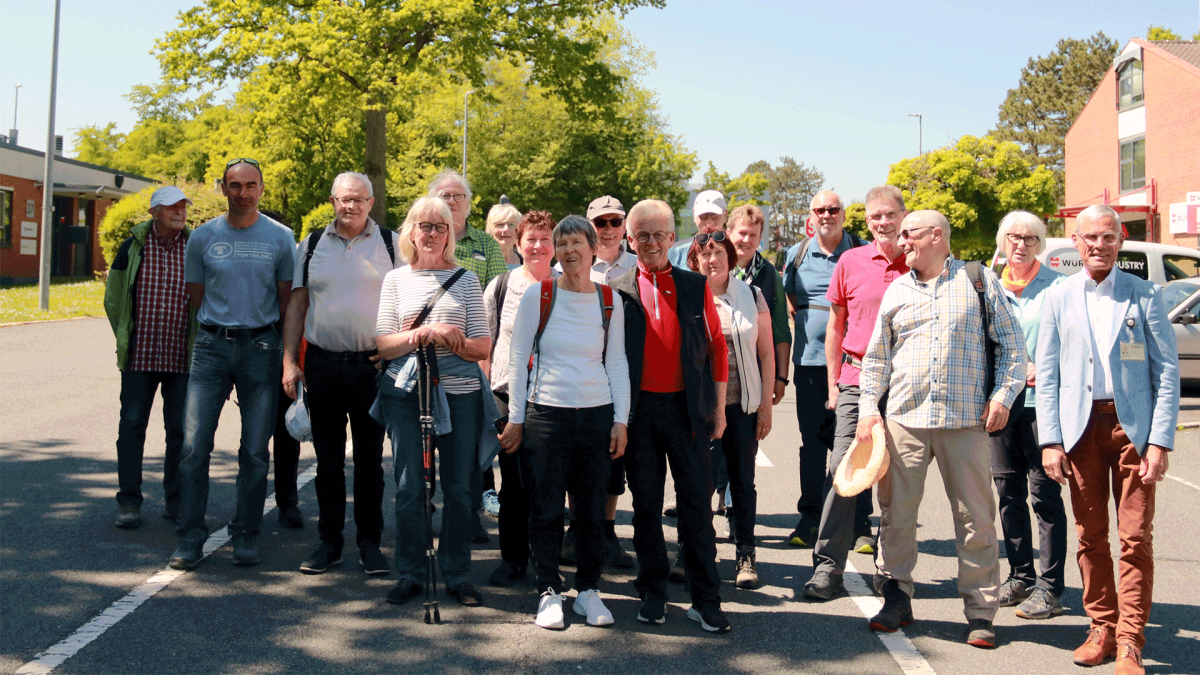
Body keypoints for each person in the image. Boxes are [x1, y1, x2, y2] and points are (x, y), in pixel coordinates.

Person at [857, 210, 1026, 649]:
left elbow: (1013, 347)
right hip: (904, 421)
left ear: (936, 236)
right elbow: (876, 359)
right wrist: (868, 412)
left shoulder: (978, 281)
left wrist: (1002, 398)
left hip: (965, 421)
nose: (902, 240)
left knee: (975, 519)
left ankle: (980, 612)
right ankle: (896, 598)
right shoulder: (897, 289)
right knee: (897, 516)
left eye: (909, 234)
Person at [1037, 205, 1179, 675]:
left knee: (1135, 538)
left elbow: (1167, 373)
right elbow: (1050, 375)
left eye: (1108, 237)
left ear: (1121, 241)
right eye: (1090, 238)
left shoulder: (1145, 294)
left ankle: (1130, 641)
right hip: (1079, 434)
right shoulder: (1058, 296)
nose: (1098, 245)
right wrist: (1050, 440)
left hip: (1132, 432)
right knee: (1090, 535)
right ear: (1076, 243)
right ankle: (1101, 626)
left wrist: (1159, 441)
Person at [500, 215, 630, 629]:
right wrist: (517, 419)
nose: (570, 250)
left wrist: (620, 421)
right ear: (556, 252)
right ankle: (549, 591)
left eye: (577, 242)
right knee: (546, 507)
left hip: (596, 417)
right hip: (546, 416)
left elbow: (617, 364)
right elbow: (518, 362)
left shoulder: (610, 301)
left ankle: (588, 590)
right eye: (563, 243)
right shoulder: (539, 296)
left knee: (592, 511)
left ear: (594, 249)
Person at [169, 159, 297, 570]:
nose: (243, 192)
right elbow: (196, 295)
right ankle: (190, 535)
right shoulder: (203, 237)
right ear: (223, 188)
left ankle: (246, 534)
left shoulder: (281, 238)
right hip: (211, 348)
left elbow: (285, 299)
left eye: (251, 185)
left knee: (256, 452)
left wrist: (282, 353)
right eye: (234, 185)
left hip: (261, 349)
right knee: (193, 447)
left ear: (262, 189)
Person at [613, 199, 731, 633]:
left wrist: (718, 407)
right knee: (645, 509)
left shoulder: (694, 285)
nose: (651, 242)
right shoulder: (618, 289)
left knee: (697, 509)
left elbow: (718, 348)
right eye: (641, 234)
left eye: (659, 234)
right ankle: (653, 591)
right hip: (640, 412)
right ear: (630, 239)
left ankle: (706, 598)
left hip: (688, 412)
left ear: (671, 238)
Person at [374, 196, 495, 608]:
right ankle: (410, 571)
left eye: (439, 226)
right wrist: (418, 335)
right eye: (423, 226)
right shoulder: (395, 280)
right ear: (410, 231)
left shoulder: (466, 280)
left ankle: (458, 574)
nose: (431, 233)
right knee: (409, 487)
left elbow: (482, 346)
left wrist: (452, 338)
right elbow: (383, 344)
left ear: (450, 234)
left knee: (459, 489)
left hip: (460, 395)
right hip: (407, 394)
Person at [281, 172, 403, 576]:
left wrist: (394, 352)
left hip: (372, 367)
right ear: (332, 201)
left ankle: (370, 543)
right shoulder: (312, 244)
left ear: (371, 202)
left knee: (370, 463)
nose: (350, 206)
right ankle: (329, 542)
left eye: (358, 199)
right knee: (328, 462)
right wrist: (290, 360)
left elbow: (408, 301)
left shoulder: (391, 244)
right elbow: (297, 304)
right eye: (343, 199)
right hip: (323, 365)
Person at [802, 185, 909, 601]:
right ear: (866, 221)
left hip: (906, 384)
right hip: (857, 378)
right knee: (842, 470)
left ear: (903, 215)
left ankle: (891, 569)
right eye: (875, 217)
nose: (883, 222)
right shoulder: (850, 261)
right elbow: (836, 327)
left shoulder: (919, 262)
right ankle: (828, 565)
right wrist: (833, 383)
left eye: (889, 214)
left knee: (900, 477)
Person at [987, 211, 1068, 620]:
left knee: (1044, 495)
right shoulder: (989, 286)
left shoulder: (1058, 288)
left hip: (1041, 406)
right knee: (1007, 494)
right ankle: (1020, 575)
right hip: (1001, 405)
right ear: (1002, 241)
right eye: (1014, 237)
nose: (1021, 245)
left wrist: (1045, 367)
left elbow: (1075, 345)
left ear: (1040, 244)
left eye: (1030, 238)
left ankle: (1051, 588)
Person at [104, 186, 197, 530]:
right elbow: (113, 298)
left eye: (182, 207)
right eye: (171, 207)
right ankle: (129, 502)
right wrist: (125, 336)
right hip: (139, 357)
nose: (179, 212)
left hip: (181, 358)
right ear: (155, 211)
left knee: (180, 433)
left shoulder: (195, 247)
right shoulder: (133, 246)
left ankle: (176, 502)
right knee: (131, 428)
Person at [686, 225, 774, 590]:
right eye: (704, 254)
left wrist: (766, 405)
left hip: (743, 406)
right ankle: (688, 551)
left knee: (742, 481)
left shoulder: (752, 296)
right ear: (695, 260)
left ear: (730, 258)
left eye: (719, 254)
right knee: (695, 482)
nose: (712, 260)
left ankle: (745, 553)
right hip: (701, 407)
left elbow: (767, 353)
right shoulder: (688, 296)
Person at [556, 195, 638, 570]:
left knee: (612, 463)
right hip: (577, 380)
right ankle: (577, 529)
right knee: (576, 462)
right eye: (600, 223)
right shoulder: (567, 269)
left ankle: (606, 529)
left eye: (614, 222)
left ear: (624, 227)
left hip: (618, 376)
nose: (607, 229)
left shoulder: (637, 267)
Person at [782, 190, 866, 547]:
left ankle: (860, 524)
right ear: (811, 217)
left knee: (857, 445)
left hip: (855, 368)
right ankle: (810, 518)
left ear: (843, 215)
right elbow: (789, 299)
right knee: (812, 445)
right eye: (820, 210)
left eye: (833, 209)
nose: (827, 215)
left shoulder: (862, 252)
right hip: (810, 364)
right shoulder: (796, 254)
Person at [427, 169, 506, 543]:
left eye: (458, 195)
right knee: (424, 445)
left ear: (469, 203)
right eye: (444, 194)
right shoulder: (420, 239)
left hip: (472, 360)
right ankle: (424, 510)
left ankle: (469, 514)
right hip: (424, 363)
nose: (452, 200)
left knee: (469, 446)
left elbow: (495, 305)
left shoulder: (486, 245)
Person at [482, 210, 557, 586]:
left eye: (546, 239)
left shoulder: (567, 286)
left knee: (547, 483)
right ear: (518, 243)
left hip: (552, 398)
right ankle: (512, 559)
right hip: (507, 395)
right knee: (512, 484)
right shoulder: (500, 286)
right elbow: (486, 345)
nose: (538, 246)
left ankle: (549, 562)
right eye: (531, 239)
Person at [260, 208, 304, 531]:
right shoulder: (250, 266)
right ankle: (250, 503)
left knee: (287, 435)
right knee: (255, 437)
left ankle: (288, 503)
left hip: (288, 360)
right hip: (255, 358)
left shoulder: (300, 264)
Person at [667, 189, 726, 268]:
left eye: (714, 215)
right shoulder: (677, 254)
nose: (709, 222)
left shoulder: (737, 251)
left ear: (725, 215)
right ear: (694, 215)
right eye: (703, 216)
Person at [485, 201, 523, 269]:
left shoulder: (526, 262)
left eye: (511, 225)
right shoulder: (481, 262)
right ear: (490, 229)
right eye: (500, 225)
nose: (506, 229)